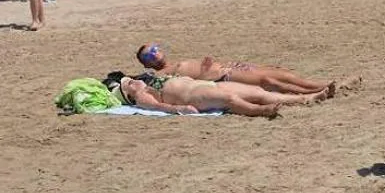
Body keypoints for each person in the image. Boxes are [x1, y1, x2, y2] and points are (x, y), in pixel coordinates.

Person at [136, 44, 335, 95]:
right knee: (269, 83)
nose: (155, 54)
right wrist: (205, 74)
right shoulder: (159, 74)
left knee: (278, 72)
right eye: (149, 55)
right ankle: (313, 92)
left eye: (155, 49)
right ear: (146, 64)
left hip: (228, 66)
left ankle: (320, 84)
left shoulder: (174, 63)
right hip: (223, 76)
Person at [106, 73, 327, 118]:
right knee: (231, 101)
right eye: (128, 86)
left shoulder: (148, 82)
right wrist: (179, 109)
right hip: (193, 96)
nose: (132, 82)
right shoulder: (143, 98)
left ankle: (305, 98)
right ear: (129, 97)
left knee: (259, 92)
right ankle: (259, 112)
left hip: (204, 84)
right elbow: (159, 108)